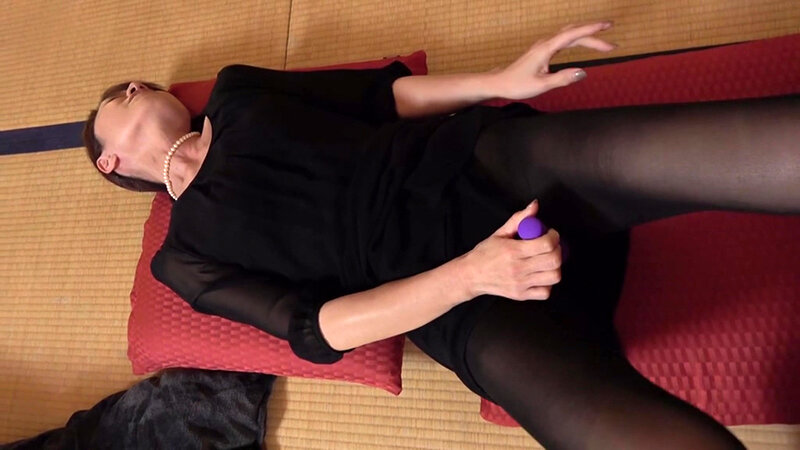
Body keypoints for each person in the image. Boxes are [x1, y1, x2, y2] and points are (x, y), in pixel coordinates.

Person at [83, 21, 798, 449]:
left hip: (476, 168)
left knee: (744, 147)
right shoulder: (183, 258)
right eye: (119, 96)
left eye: (138, 83)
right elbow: (320, 327)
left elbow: (382, 98)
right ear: (109, 163)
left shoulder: (237, 91)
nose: (137, 87)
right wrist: (472, 274)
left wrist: (503, 80)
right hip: (454, 293)